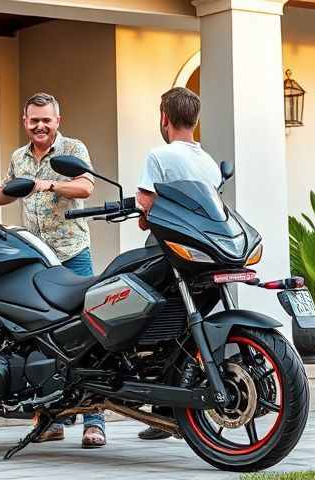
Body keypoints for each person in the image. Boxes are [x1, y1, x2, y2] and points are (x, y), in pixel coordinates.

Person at [0, 92, 106, 448]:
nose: (40, 125)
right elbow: (10, 191)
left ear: (57, 121)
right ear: (24, 121)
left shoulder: (73, 150)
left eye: (46, 119)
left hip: (73, 254)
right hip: (36, 258)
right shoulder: (19, 157)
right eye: (34, 120)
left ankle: (95, 420)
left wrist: (50, 184)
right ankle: (50, 420)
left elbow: (86, 187)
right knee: (35, 338)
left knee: (88, 335)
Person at [134, 86, 221, 440]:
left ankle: (153, 401)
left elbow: (145, 206)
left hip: (165, 251)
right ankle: (166, 411)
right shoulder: (209, 163)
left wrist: (144, 216)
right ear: (195, 120)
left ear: (164, 118)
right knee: (182, 329)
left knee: (148, 321)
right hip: (202, 255)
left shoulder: (159, 155)